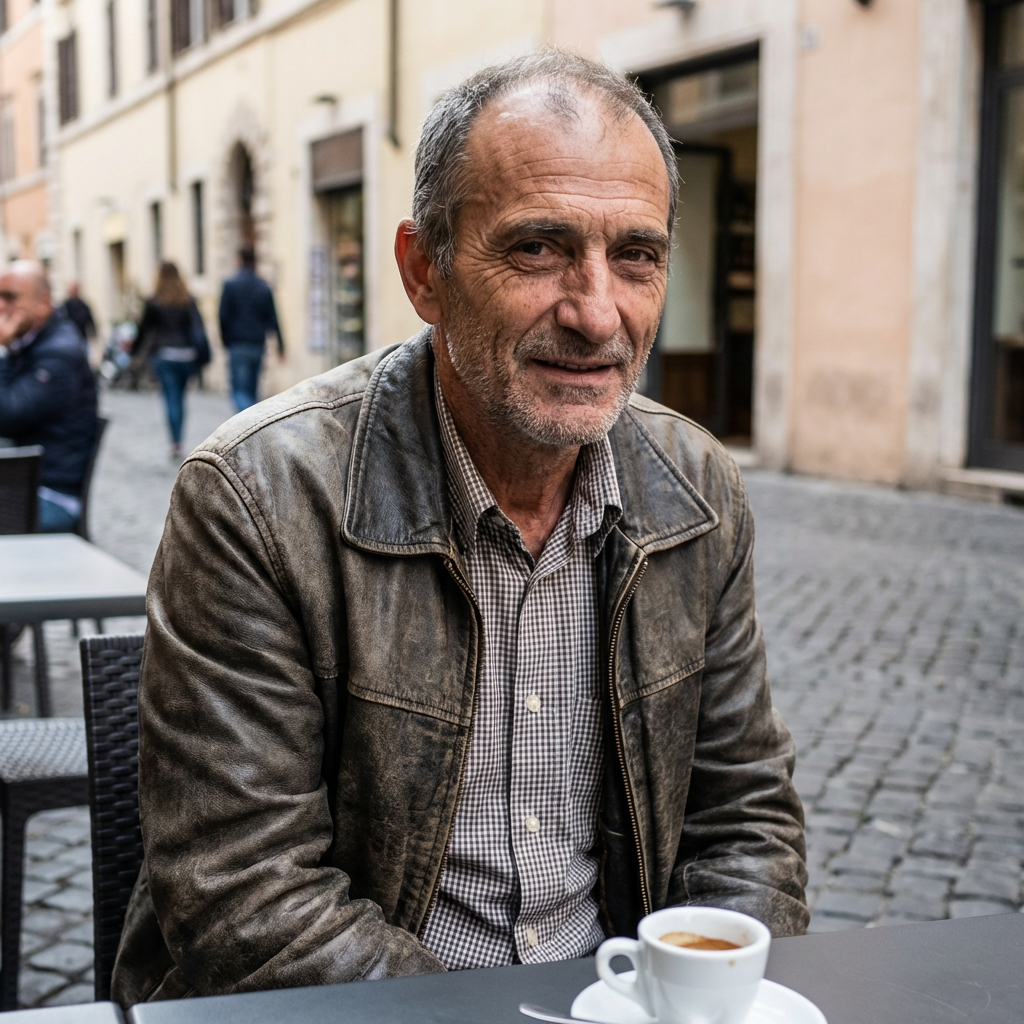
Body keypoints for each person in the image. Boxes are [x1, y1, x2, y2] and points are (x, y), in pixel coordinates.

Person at [113, 51, 806, 1007]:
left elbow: (746, 819)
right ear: (422, 272)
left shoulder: (696, 489)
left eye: (635, 256)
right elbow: (246, 901)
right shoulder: (259, 496)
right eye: (537, 249)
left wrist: (700, 997)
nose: (597, 312)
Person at [0, 261, 98, 532]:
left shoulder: (58, 354)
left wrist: (1, 352)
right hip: (23, 484)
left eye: (10, 297)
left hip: (51, 494)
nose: (1, 306)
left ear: (43, 303)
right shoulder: (33, 344)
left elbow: (6, 415)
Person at [134, 262, 209, 459]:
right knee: (180, 398)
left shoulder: (154, 301)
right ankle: (179, 437)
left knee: (171, 398)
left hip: (165, 355)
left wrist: (134, 351)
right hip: (186, 356)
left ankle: (176, 442)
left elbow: (143, 330)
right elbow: (197, 327)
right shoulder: (187, 300)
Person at [218, 244, 284, 411]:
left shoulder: (230, 285)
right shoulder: (263, 286)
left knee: (239, 391)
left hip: (238, 344)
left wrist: (226, 341)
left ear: (239, 260)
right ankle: (251, 424)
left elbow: (223, 316)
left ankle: (247, 421)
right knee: (252, 391)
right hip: (257, 344)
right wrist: (281, 346)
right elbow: (273, 318)